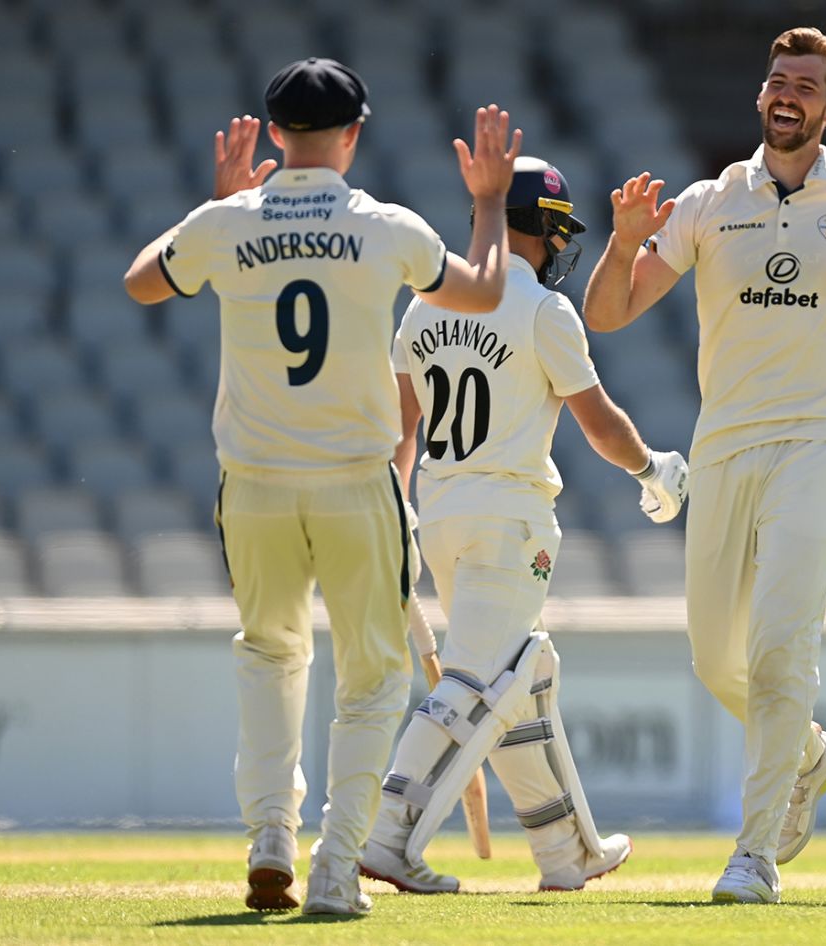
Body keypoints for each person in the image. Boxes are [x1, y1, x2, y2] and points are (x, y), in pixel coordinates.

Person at [582, 27, 826, 903]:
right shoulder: (708, 201)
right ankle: (810, 754)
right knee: (713, 659)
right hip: (724, 445)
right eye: (776, 80)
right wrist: (621, 243)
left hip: (822, 443)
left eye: (804, 85)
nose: (785, 94)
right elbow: (609, 315)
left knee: (779, 649)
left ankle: (753, 853)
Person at [122, 57, 521, 915]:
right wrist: (489, 200)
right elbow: (486, 292)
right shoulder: (386, 224)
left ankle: (271, 837)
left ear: (273, 134)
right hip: (353, 481)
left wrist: (219, 204)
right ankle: (337, 866)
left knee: (269, 656)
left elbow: (143, 281)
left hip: (255, 485)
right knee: (373, 678)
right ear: (354, 134)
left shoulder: (228, 221)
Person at [359, 156, 688, 894]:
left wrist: (395, 510)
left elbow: (400, 432)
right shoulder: (543, 308)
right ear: (539, 228)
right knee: (479, 682)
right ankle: (383, 837)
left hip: (441, 517)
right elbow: (598, 422)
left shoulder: (423, 304)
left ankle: (566, 852)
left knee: (518, 678)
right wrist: (651, 469)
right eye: (556, 231)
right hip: (510, 520)